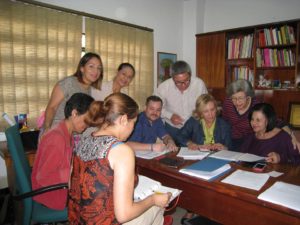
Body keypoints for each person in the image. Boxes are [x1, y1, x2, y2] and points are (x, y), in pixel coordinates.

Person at [68, 93, 172, 225]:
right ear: (123, 120)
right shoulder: (122, 151)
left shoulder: (82, 141)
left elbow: (72, 186)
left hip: (76, 221)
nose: (132, 129)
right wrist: (153, 200)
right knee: (157, 206)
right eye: (133, 123)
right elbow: (124, 215)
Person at [31, 93, 94, 210]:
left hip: (60, 188)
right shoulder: (57, 138)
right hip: (51, 195)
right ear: (74, 113)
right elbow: (43, 177)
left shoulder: (66, 133)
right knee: (97, 201)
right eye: (87, 119)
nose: (88, 124)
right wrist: (74, 173)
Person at [222, 79, 300, 151]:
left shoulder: (256, 105)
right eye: (234, 98)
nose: (237, 102)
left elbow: (277, 122)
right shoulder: (228, 103)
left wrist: (292, 135)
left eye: (240, 98)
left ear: (249, 97)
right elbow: (224, 122)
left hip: (251, 141)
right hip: (233, 140)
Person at [42, 52, 103, 136]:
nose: (96, 71)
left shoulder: (89, 90)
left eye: (99, 68)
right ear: (82, 68)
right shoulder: (69, 83)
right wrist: (47, 128)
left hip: (72, 137)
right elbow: (52, 107)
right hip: (55, 132)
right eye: (91, 66)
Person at [155, 60, 207, 142]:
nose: (183, 85)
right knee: (173, 153)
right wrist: (170, 116)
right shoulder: (164, 87)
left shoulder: (199, 84)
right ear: (172, 78)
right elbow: (155, 108)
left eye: (186, 81)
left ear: (190, 75)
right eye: (178, 82)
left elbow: (205, 105)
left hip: (195, 127)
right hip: (172, 128)